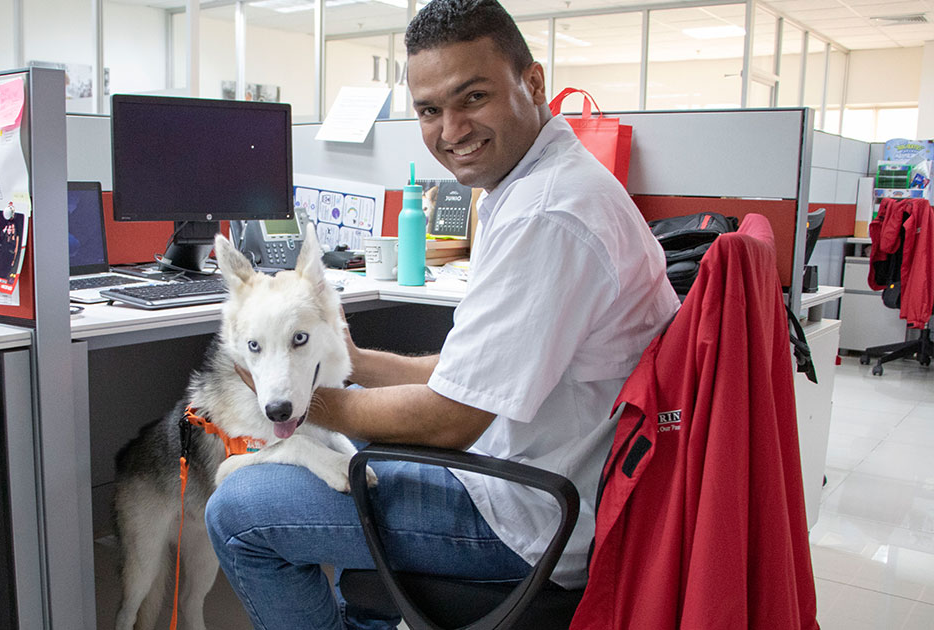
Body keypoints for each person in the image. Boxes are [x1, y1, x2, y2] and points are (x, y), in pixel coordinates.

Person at [203, 1, 680, 629]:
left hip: (529, 516)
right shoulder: (541, 184)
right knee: (348, 442)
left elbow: (450, 418)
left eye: (473, 97)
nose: (451, 129)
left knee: (238, 511)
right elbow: (470, 375)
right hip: (533, 471)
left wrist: (293, 402)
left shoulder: (548, 215)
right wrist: (358, 364)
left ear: (532, 83)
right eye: (429, 110)